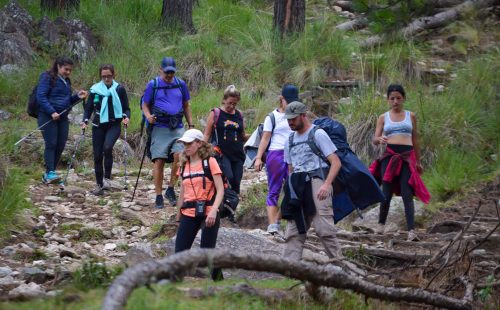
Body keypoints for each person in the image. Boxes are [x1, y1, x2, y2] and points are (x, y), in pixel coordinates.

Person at [282, 101, 343, 260]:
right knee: (294, 229)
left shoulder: (318, 134)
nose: (290, 122)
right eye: (288, 119)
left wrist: (326, 185)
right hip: (298, 185)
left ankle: (340, 266)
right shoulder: (289, 140)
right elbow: (291, 168)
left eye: (293, 119)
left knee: (324, 229)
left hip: (318, 182)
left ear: (303, 116)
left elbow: (335, 162)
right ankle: (289, 269)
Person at [370, 84, 430, 242]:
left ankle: (411, 231)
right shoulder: (383, 117)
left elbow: (415, 139)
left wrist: (418, 161)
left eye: (398, 98)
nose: (395, 101)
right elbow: (374, 140)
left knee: (407, 193)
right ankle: (380, 226)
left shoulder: (411, 116)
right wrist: (379, 139)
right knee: (386, 192)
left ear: (403, 98)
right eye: (392, 98)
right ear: (388, 100)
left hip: (406, 157)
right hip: (389, 157)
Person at [142, 57, 194, 209]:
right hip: (159, 126)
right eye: (167, 72)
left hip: (177, 126)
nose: (169, 75)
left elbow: (186, 105)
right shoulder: (154, 85)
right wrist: (148, 116)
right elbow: (145, 105)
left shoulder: (180, 84)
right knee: (159, 160)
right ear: (161, 70)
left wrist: (190, 124)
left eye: (171, 72)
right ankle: (158, 195)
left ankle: (171, 189)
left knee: (180, 156)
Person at [175, 129, 225, 281]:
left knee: (207, 251)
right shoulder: (183, 165)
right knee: (180, 253)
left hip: (209, 211)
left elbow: (221, 189)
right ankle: (174, 286)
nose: (186, 147)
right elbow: (182, 193)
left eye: (189, 143)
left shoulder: (210, 162)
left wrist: (214, 211)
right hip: (188, 213)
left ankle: (219, 282)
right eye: (184, 144)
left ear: (199, 143)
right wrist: (178, 217)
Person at [36, 56, 88, 184]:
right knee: (51, 143)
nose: (68, 72)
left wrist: (77, 97)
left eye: (70, 70)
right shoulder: (47, 77)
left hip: (63, 117)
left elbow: (67, 102)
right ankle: (49, 173)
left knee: (61, 144)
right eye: (66, 69)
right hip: (47, 116)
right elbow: (41, 96)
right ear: (58, 66)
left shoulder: (66, 81)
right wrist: (52, 111)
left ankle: (50, 172)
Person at [81, 64, 130, 196]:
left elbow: (126, 108)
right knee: (97, 155)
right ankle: (99, 185)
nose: (106, 79)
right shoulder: (95, 90)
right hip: (98, 126)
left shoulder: (119, 89)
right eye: (104, 76)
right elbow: (89, 108)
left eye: (109, 76)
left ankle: (107, 180)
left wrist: (127, 117)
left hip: (114, 124)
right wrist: (85, 120)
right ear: (100, 77)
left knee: (107, 148)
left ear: (113, 75)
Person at [254, 84, 297, 234]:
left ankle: (278, 220)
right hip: (276, 154)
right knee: (274, 190)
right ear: (281, 99)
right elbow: (265, 138)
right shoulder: (272, 117)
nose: (290, 104)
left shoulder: (298, 114)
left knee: (293, 189)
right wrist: (258, 158)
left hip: (294, 155)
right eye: (288, 100)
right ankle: (272, 225)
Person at [203, 85, 246, 194]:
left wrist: (258, 134)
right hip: (221, 154)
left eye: (235, 104)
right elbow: (207, 134)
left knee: (236, 182)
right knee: (229, 178)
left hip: (238, 155)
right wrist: (201, 152)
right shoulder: (215, 113)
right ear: (224, 100)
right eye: (230, 103)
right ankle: (221, 204)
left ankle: (232, 207)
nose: (232, 106)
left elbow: (243, 135)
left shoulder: (239, 115)